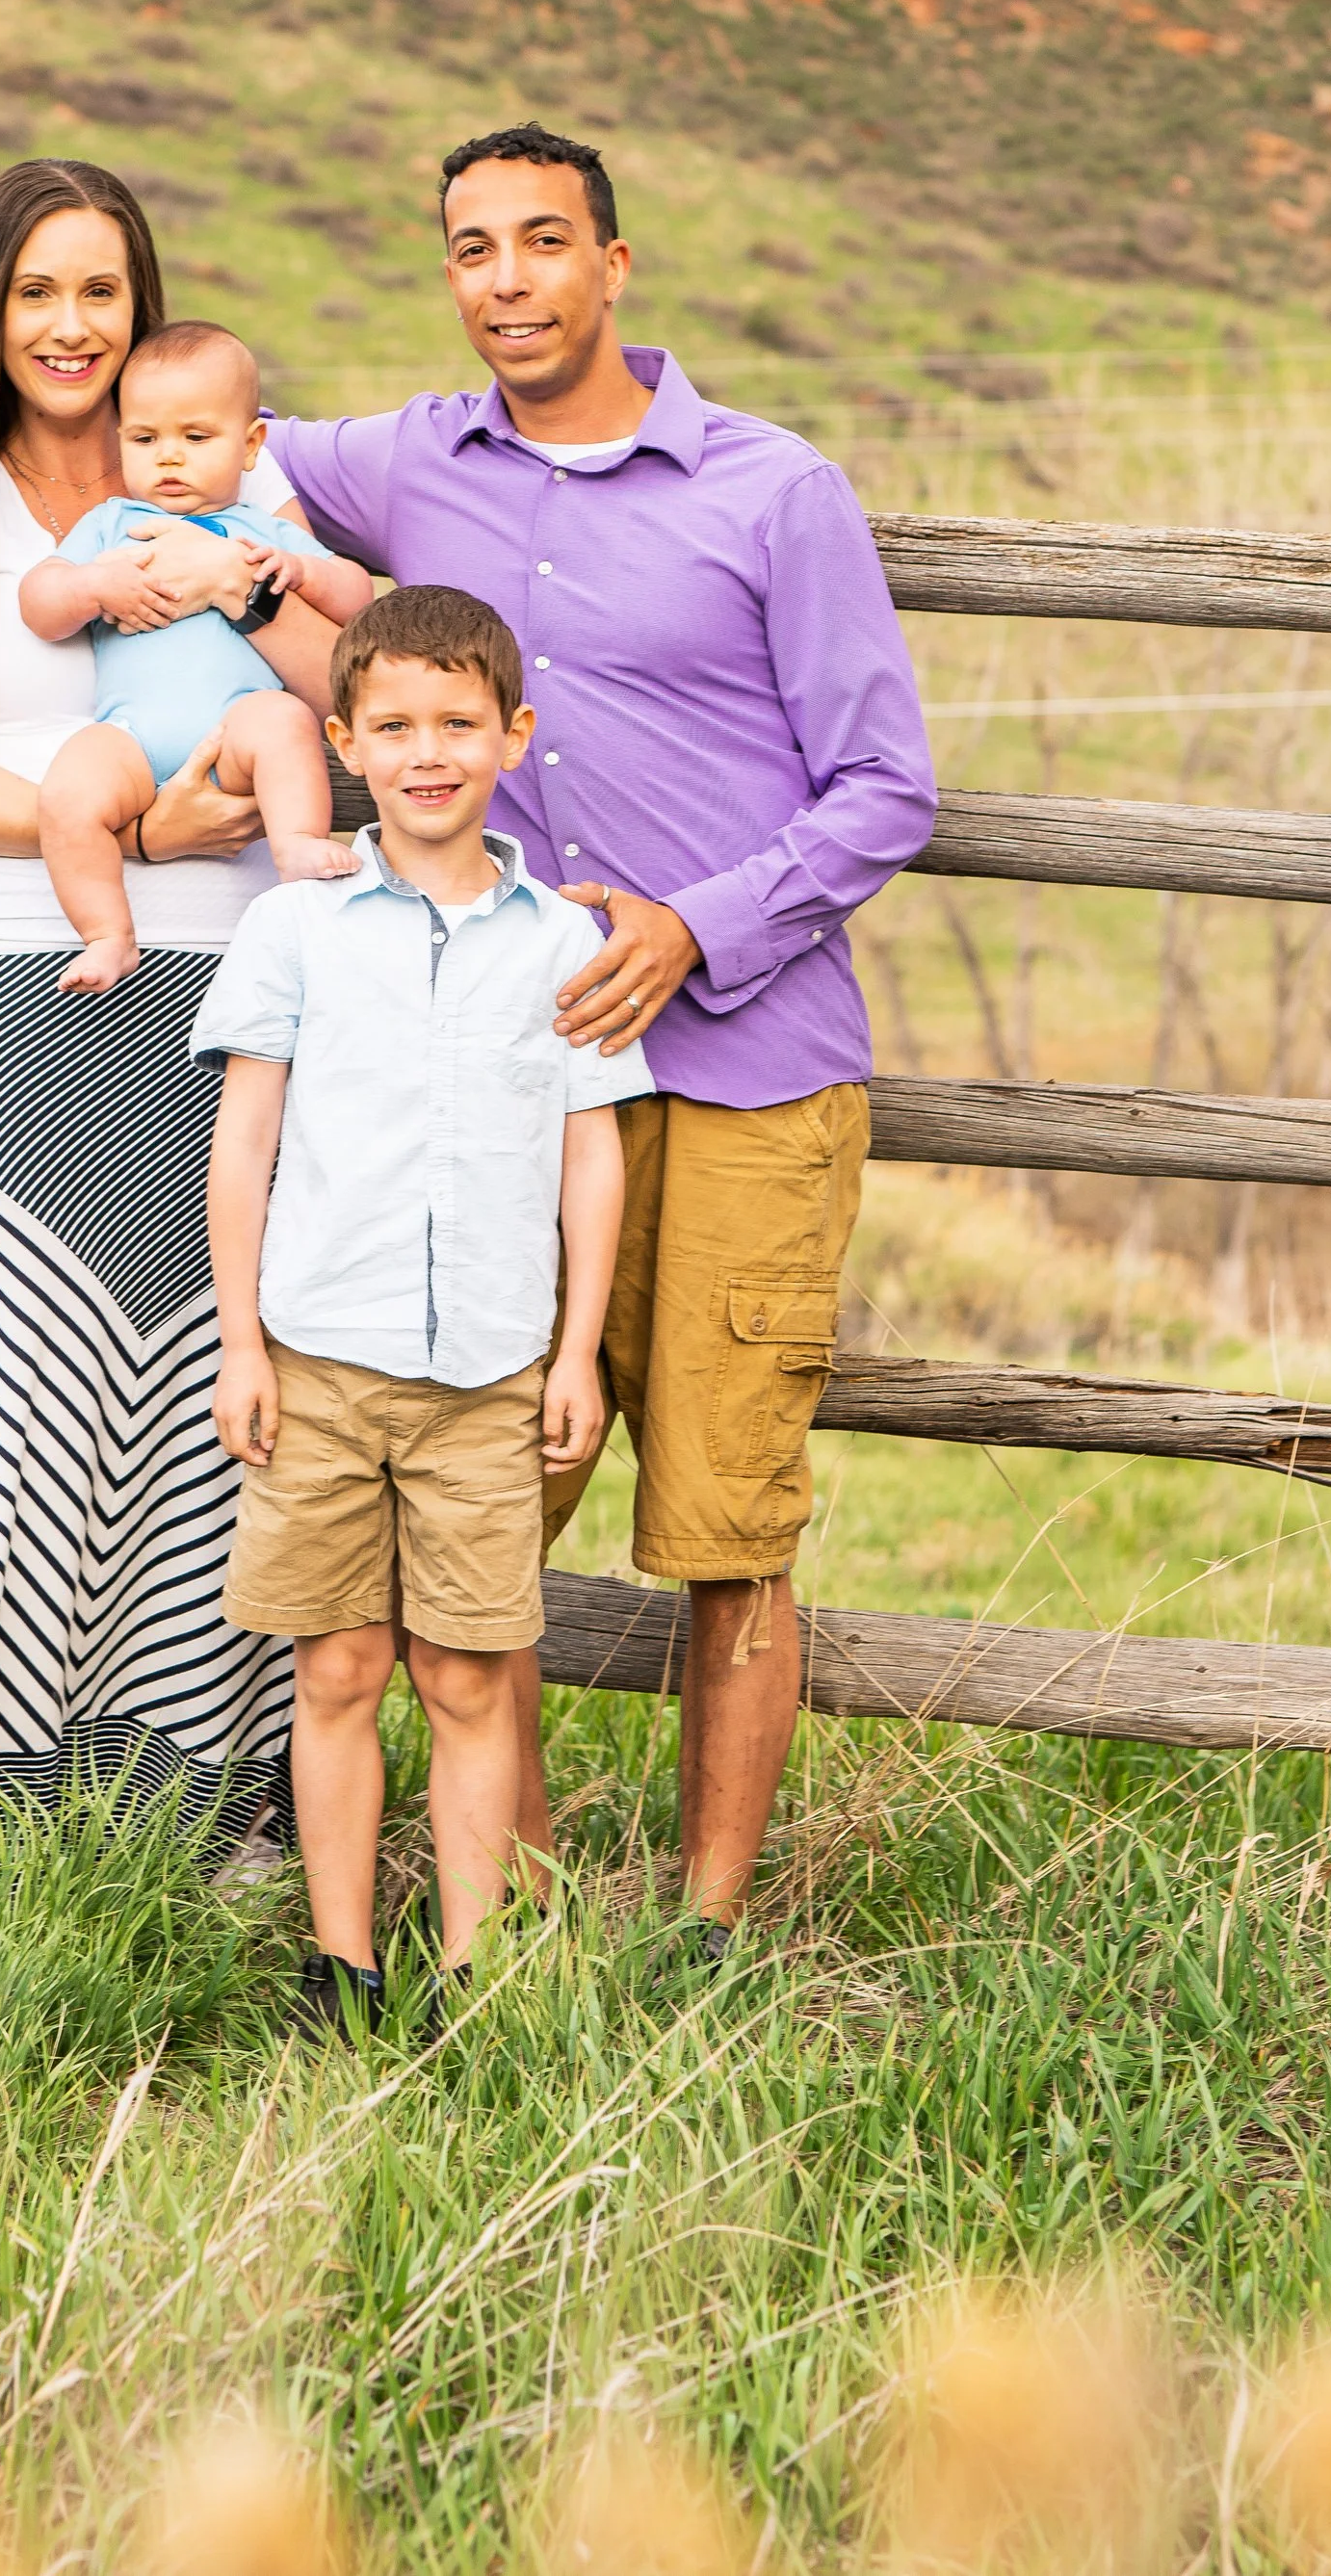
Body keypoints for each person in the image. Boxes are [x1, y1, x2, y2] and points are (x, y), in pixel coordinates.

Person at [260, 121, 937, 1960]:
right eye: (472, 249)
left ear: (614, 266)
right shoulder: (407, 460)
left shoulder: (772, 491)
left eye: (542, 243)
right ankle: (526, 1900)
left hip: (748, 1071)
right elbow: (195, 441)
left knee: (728, 1524)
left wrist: (693, 923)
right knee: (487, 1514)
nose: (506, 282)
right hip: (510, 1089)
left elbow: (890, 785)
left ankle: (708, 1932)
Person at [0, 158, 345, 1911]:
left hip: (245, 1011)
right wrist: (122, 827)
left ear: (144, 307)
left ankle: (199, 1880)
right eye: (39, 292)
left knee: (219, 1440)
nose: (71, 327)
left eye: (101, 292)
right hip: (31, 1002)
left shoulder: (228, 478)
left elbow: (364, 694)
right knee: (31, 1436)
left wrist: (253, 593)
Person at [193, 585, 644, 2033]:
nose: (426, 751)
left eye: (458, 722)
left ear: (514, 735)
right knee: (334, 1662)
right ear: (343, 741)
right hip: (321, 1355)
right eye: (392, 725)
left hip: (491, 1369)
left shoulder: (560, 943)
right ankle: (343, 1967)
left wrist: (574, 1350)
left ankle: (476, 1969)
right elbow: (246, 1142)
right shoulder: (298, 928)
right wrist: (242, 1343)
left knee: (464, 1670)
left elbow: (591, 1150)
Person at [21, 318, 374, 994]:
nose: (170, 457)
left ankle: (294, 841)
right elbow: (40, 600)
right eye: (146, 439)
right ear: (119, 439)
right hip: (131, 736)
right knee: (67, 791)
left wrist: (299, 572)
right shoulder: (111, 527)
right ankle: (107, 932)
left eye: (196, 437)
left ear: (250, 446)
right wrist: (93, 585)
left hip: (233, 728)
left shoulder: (264, 532)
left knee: (281, 718)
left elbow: (356, 595)